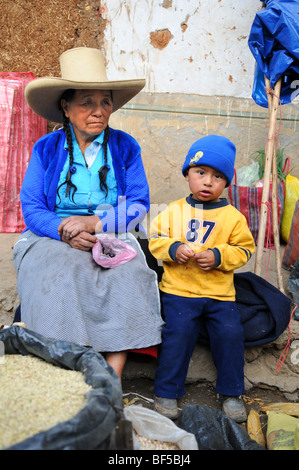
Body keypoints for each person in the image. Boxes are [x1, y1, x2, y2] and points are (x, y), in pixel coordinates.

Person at [13, 47, 164, 379]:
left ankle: (111, 378)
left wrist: (96, 223)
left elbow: (138, 204)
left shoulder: (125, 146)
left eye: (106, 102)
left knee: (128, 276)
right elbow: (33, 208)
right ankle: (64, 373)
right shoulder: (47, 149)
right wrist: (65, 229)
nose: (99, 111)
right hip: (54, 233)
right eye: (87, 102)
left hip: (112, 229)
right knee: (59, 276)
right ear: (66, 108)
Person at [148, 135, 256, 422]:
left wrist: (219, 257)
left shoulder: (233, 217)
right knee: (178, 334)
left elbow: (245, 249)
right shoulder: (174, 211)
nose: (208, 182)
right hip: (179, 291)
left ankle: (232, 393)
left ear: (226, 183)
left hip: (220, 294)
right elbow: (155, 239)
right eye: (201, 173)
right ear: (187, 175)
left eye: (218, 176)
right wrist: (173, 249)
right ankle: (166, 392)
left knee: (231, 335)